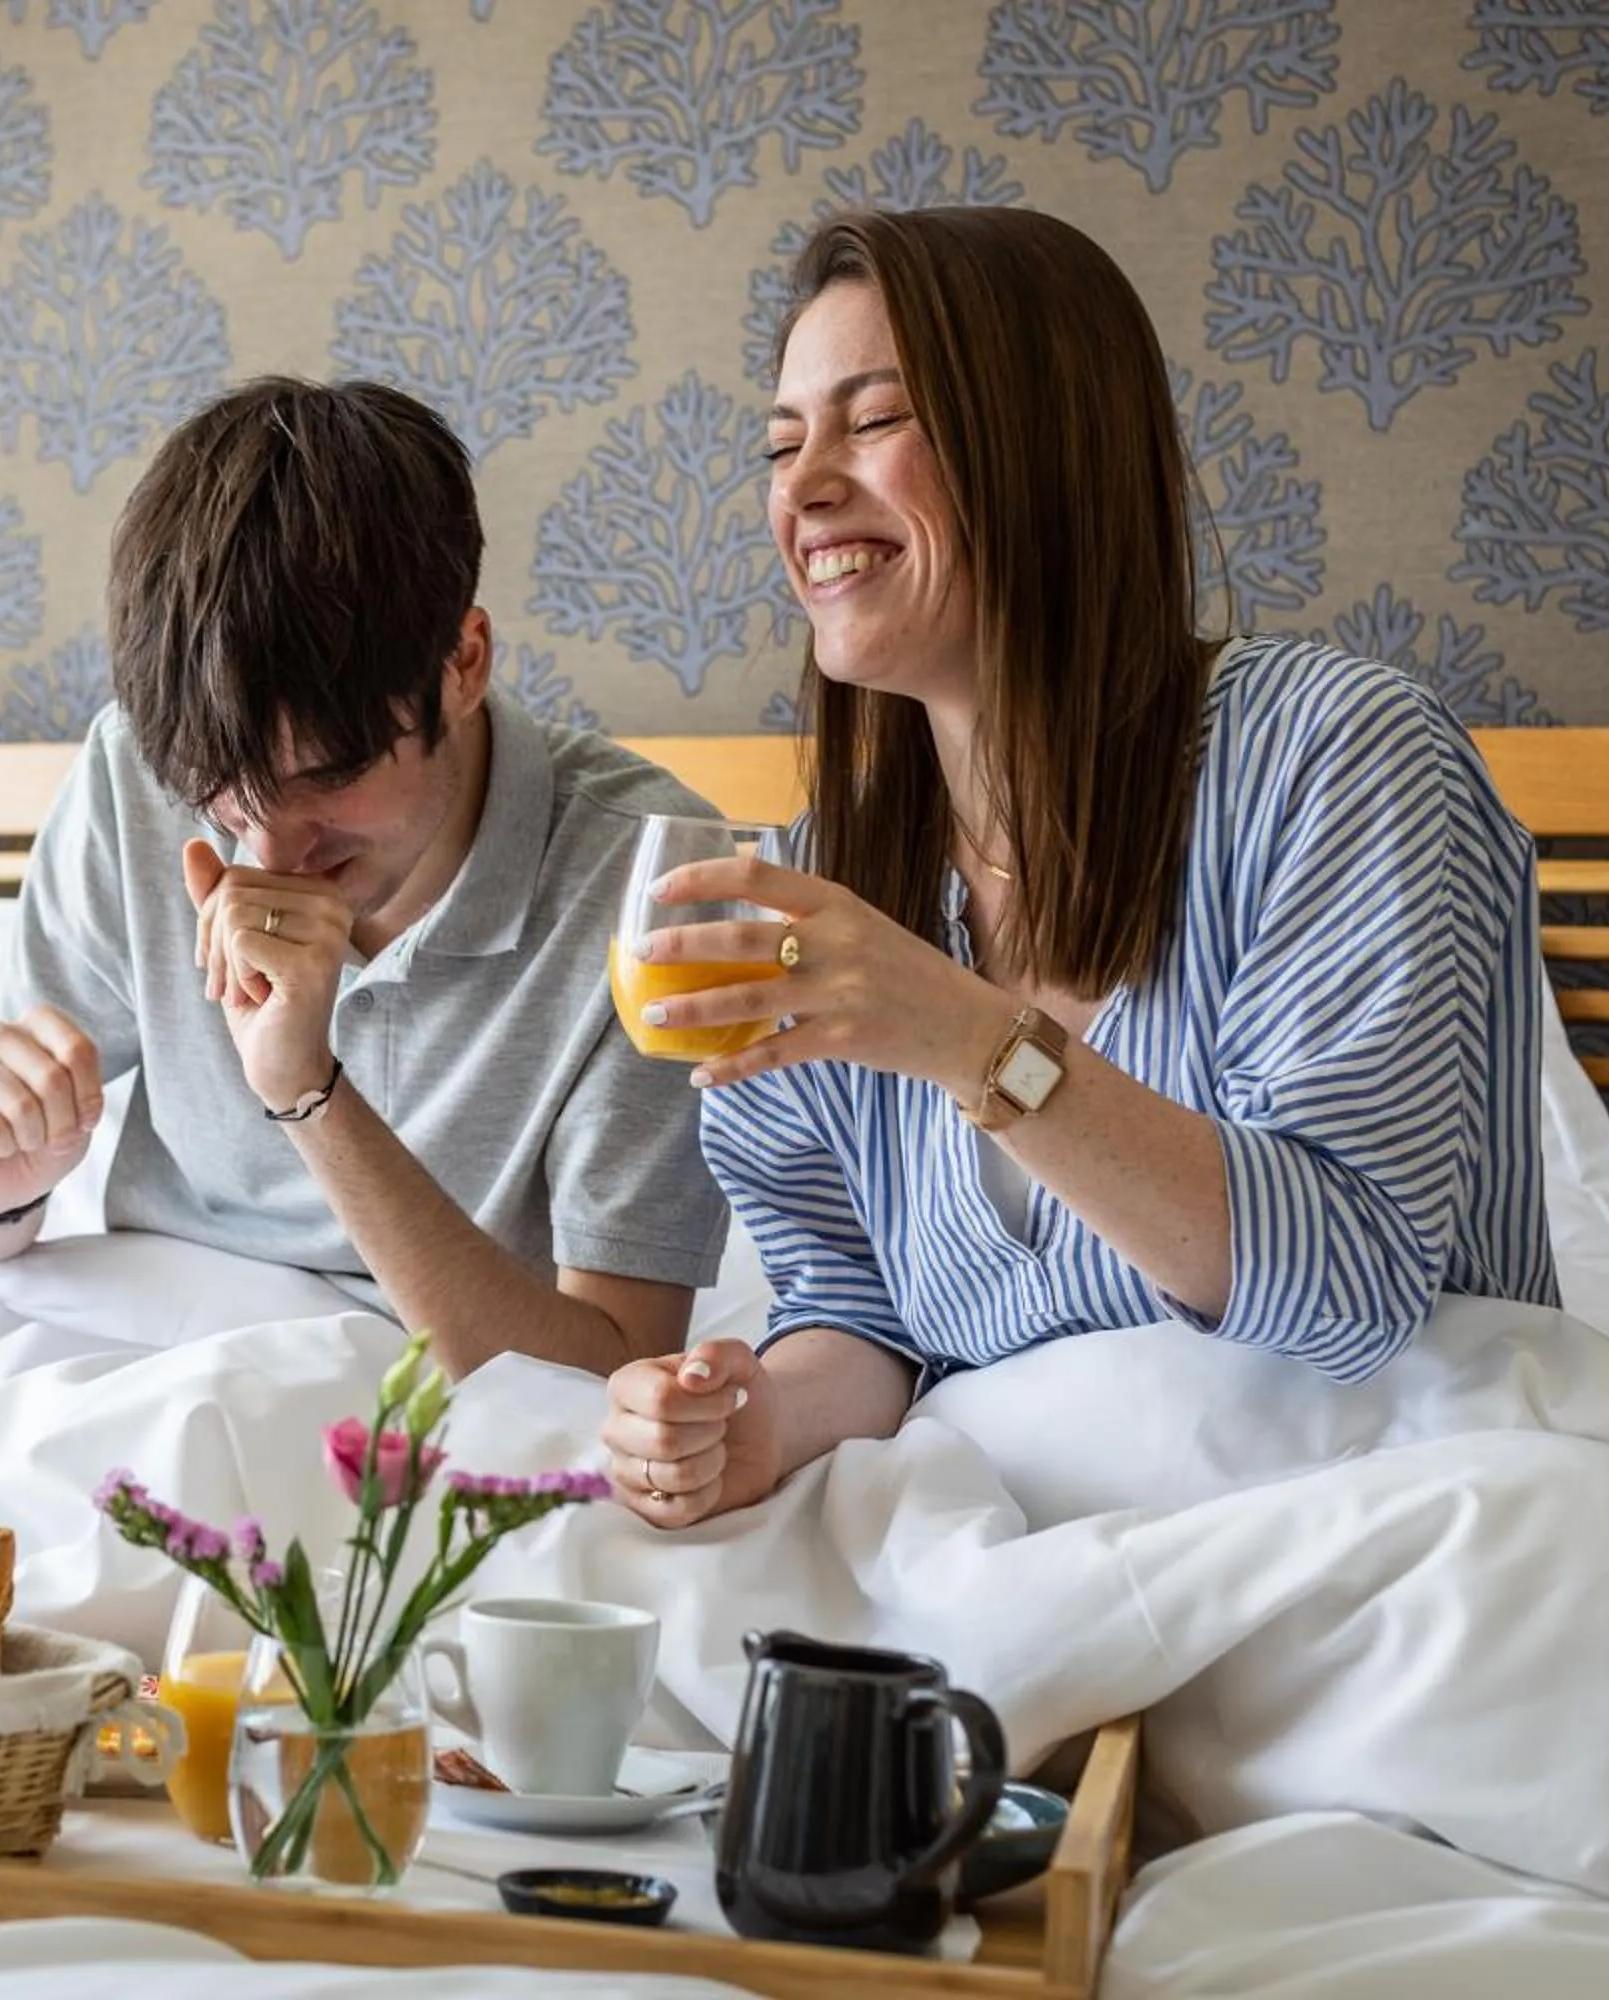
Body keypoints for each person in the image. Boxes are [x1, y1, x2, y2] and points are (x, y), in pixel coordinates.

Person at [600, 207, 1558, 1527]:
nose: (802, 485)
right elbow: (859, 1320)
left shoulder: (1334, 755)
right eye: (782, 442)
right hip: (1039, 1541)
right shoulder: (829, 880)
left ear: (1050, 446)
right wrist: (744, 1425)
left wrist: (972, 1040)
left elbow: (1352, 1283)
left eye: (872, 421)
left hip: (1392, 1506)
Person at [0, 377, 730, 1377]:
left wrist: (309, 1089)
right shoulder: (133, 772)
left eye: (329, 780)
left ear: (463, 662)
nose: (266, 862)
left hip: (458, 1396)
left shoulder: (650, 875)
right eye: (221, 799)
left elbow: (614, 1369)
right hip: (149, 1355)